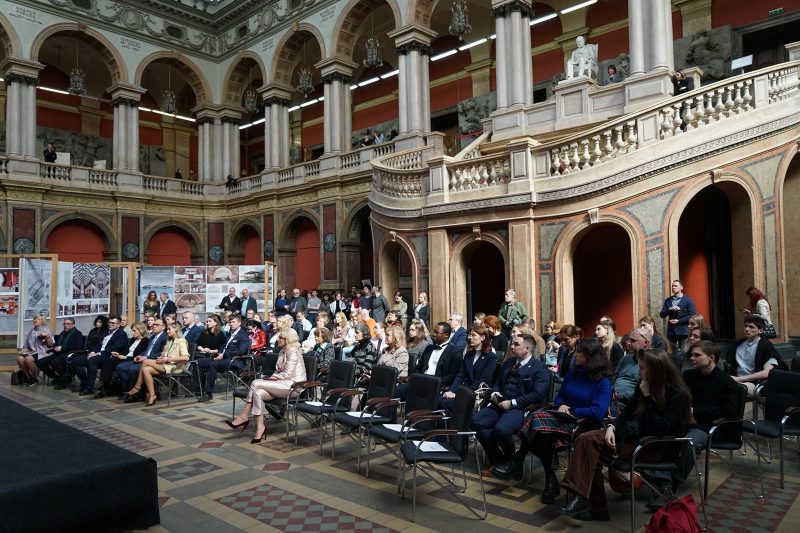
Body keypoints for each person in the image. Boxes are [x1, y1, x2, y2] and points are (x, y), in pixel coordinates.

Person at [561, 348, 693, 522]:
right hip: (631, 439)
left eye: (643, 368)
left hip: (653, 446)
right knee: (587, 445)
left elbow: (661, 427)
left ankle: (587, 501)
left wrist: (648, 397)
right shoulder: (644, 384)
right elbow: (627, 412)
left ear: (657, 369)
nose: (639, 372)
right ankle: (588, 502)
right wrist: (612, 427)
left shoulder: (677, 394)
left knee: (588, 443)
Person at [502, 338, 612, 503]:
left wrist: (573, 410)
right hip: (562, 417)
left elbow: (598, 412)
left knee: (536, 420)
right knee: (540, 429)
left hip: (583, 424)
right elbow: (559, 397)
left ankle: (520, 461)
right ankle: (550, 478)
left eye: (578, 352)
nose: (574, 354)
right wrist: (561, 405)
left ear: (589, 356)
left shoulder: (603, 381)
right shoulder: (574, 372)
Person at [647, 340, 739, 508]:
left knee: (689, 443)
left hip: (710, 427)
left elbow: (730, 411)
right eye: (691, 354)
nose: (691, 358)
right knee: (662, 432)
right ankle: (662, 482)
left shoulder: (727, 381)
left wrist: (695, 412)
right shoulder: (689, 376)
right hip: (685, 421)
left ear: (711, 357)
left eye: (697, 355)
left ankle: (670, 484)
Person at [471, 333, 551, 474]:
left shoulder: (539, 368)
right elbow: (498, 383)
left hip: (520, 408)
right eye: (512, 344)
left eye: (516, 344)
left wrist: (512, 403)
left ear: (527, 349)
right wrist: (495, 394)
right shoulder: (509, 363)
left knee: (502, 429)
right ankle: (499, 459)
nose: (512, 347)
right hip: (499, 404)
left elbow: (537, 394)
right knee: (475, 422)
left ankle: (513, 462)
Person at [225, 329, 306, 443]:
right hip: (282, 384)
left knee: (255, 383)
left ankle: (244, 416)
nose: (278, 340)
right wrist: (272, 377)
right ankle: (260, 427)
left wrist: (274, 377)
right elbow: (279, 371)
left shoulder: (292, 351)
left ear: (287, 340)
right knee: (257, 393)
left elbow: (288, 373)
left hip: (293, 386)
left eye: (280, 338)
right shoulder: (282, 351)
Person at [124, 322, 190, 407]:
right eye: (167, 329)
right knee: (146, 369)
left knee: (146, 362)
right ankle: (152, 395)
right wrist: (162, 357)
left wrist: (168, 359)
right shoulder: (169, 341)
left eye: (169, 329)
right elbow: (165, 354)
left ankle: (137, 387)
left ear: (176, 329)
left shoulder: (181, 341)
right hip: (166, 364)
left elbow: (185, 357)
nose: (167, 331)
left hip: (175, 367)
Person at [442, 325, 497, 413]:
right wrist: (451, 391)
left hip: (476, 394)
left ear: (483, 338)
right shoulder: (469, 354)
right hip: (464, 390)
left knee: (446, 404)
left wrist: (459, 395)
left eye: (473, 335)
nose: (469, 337)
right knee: (440, 400)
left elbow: (483, 381)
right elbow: (460, 376)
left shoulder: (490, 357)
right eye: (469, 335)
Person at [730, 314, 787, 397]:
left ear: (760, 331)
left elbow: (767, 372)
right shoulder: (737, 345)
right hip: (734, 379)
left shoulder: (766, 347)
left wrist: (739, 379)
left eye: (751, 327)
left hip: (754, 382)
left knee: (732, 389)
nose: (747, 329)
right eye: (746, 326)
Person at [197, 314, 250, 402]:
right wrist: (219, 353)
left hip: (234, 360)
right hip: (223, 357)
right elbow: (223, 347)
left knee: (213, 364)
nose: (231, 324)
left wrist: (224, 354)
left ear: (239, 323)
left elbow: (241, 351)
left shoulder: (243, 336)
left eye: (233, 322)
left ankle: (208, 393)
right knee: (199, 362)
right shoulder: (230, 334)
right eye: (230, 322)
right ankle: (199, 389)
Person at [72, 315, 129, 396]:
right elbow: (98, 345)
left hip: (108, 356)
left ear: (118, 325)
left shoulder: (122, 334)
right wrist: (92, 352)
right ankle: (85, 383)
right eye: (109, 322)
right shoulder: (105, 332)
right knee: (76, 361)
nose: (110, 324)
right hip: (97, 354)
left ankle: (89, 388)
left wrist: (98, 354)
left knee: (92, 360)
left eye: (113, 323)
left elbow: (115, 348)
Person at [117, 318, 168, 396]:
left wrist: (147, 357)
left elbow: (161, 353)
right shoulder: (153, 337)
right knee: (120, 367)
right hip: (144, 358)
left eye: (157, 325)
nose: (154, 326)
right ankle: (129, 389)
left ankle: (135, 394)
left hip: (153, 361)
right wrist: (140, 356)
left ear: (163, 327)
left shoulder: (165, 337)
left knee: (133, 369)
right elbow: (147, 350)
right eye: (154, 324)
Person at [99, 322, 149, 399]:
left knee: (118, 366)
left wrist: (125, 357)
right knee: (109, 360)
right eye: (132, 330)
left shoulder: (145, 341)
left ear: (141, 330)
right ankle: (104, 385)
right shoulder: (132, 339)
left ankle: (109, 386)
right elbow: (126, 351)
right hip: (126, 357)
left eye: (134, 331)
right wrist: (118, 354)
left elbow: (140, 356)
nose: (132, 333)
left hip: (132, 359)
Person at [36, 317, 83, 389]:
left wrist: (62, 348)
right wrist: (55, 347)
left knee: (54, 362)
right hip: (58, 353)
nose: (65, 325)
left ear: (73, 325)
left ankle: (65, 379)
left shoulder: (77, 333)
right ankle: (56, 377)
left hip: (69, 353)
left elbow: (77, 346)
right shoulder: (63, 333)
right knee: (40, 362)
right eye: (64, 324)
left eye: (68, 324)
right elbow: (57, 343)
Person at [659, 279, 696, 353]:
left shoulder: (688, 300)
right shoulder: (668, 300)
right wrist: (670, 309)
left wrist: (679, 321)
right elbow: (662, 314)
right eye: (672, 286)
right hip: (671, 331)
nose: (673, 287)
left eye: (675, 286)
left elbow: (692, 315)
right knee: (671, 352)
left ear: (681, 288)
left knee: (684, 352)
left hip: (683, 331)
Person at [16, 314, 54, 386]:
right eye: (35, 319)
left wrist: (47, 337)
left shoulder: (46, 330)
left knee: (28, 359)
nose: (35, 320)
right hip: (32, 352)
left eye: (38, 319)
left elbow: (51, 344)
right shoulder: (31, 331)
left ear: (43, 321)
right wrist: (22, 351)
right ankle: (29, 377)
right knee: (20, 358)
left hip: (43, 353)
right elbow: (27, 346)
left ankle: (34, 378)